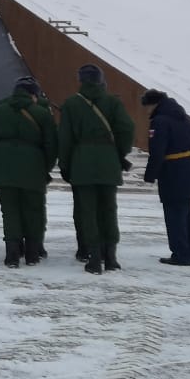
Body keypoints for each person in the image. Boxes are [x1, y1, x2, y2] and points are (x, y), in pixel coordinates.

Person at [58, 63, 136, 275]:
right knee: (109, 210)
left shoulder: (72, 104)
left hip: (82, 164)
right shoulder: (113, 102)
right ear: (101, 80)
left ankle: (93, 258)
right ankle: (110, 257)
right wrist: (117, 153)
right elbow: (127, 129)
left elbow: (64, 139)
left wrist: (65, 165)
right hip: (108, 163)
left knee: (88, 211)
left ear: (81, 80)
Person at [0, 77, 57, 266]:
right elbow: (51, 145)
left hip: (3, 166)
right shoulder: (42, 114)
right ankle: (32, 254)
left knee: (9, 212)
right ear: (33, 95)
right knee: (33, 211)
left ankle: (12, 254)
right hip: (33, 167)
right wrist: (45, 167)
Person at [141, 89, 190, 265]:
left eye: (146, 106)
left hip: (173, 171)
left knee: (174, 215)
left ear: (153, 104)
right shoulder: (182, 117)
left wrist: (150, 175)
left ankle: (181, 255)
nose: (146, 111)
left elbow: (157, 151)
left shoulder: (160, 121)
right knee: (185, 212)